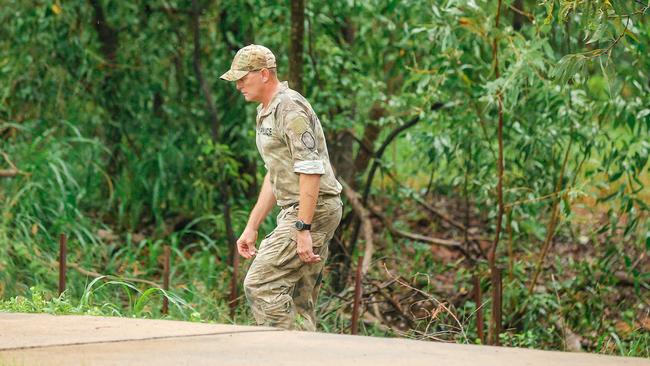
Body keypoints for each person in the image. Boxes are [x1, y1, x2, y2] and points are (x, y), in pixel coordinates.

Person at [220, 44, 343, 331]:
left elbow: (311, 169)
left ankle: (281, 352)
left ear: (264, 74)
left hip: (314, 208)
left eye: (243, 77)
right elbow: (275, 171)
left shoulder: (289, 107)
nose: (238, 84)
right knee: (300, 302)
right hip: (299, 209)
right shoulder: (266, 111)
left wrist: (303, 228)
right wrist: (252, 226)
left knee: (260, 283)